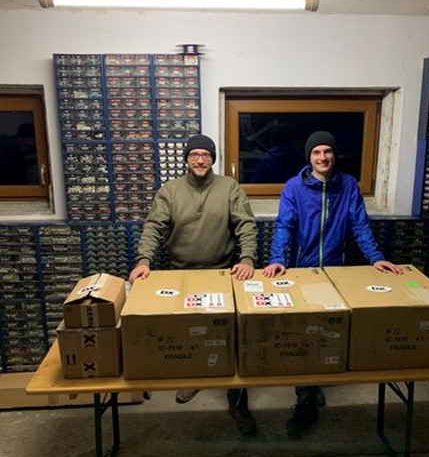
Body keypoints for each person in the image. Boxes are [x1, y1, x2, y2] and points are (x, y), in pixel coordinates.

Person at [262, 130, 403, 438]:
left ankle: (314, 385)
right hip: (303, 270)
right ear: (309, 157)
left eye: (327, 151)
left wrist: (375, 258)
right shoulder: (294, 187)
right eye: (316, 152)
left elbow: (360, 225)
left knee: (327, 331)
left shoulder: (348, 185)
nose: (322, 157)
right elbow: (284, 225)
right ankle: (305, 397)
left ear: (334, 155)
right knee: (303, 332)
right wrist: (277, 258)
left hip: (337, 271)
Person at [129, 134, 258, 436]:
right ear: (186, 159)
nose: (200, 160)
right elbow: (154, 226)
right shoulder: (170, 191)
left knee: (233, 338)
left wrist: (248, 259)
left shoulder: (229, 188)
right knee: (191, 334)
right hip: (181, 275)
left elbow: (246, 224)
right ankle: (194, 378)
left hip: (223, 274)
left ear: (213, 158)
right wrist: (144, 260)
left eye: (206, 155)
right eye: (194, 155)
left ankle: (238, 400)